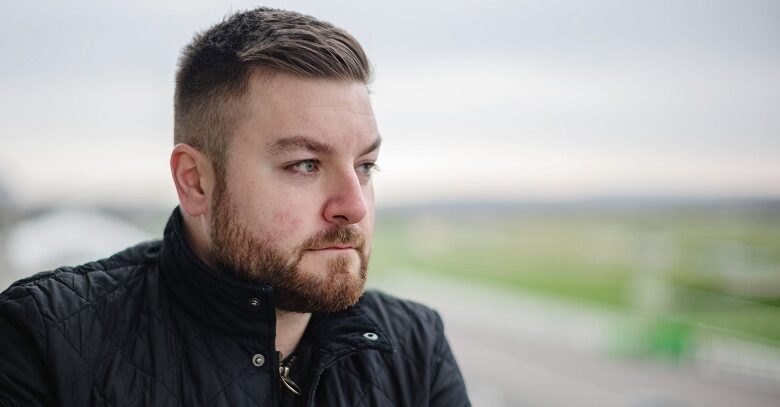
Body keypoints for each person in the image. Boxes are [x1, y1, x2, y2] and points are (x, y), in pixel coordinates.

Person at [0, 7, 470, 407]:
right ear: (195, 182)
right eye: (305, 164)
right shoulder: (43, 342)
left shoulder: (414, 347)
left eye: (366, 166)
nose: (354, 206)